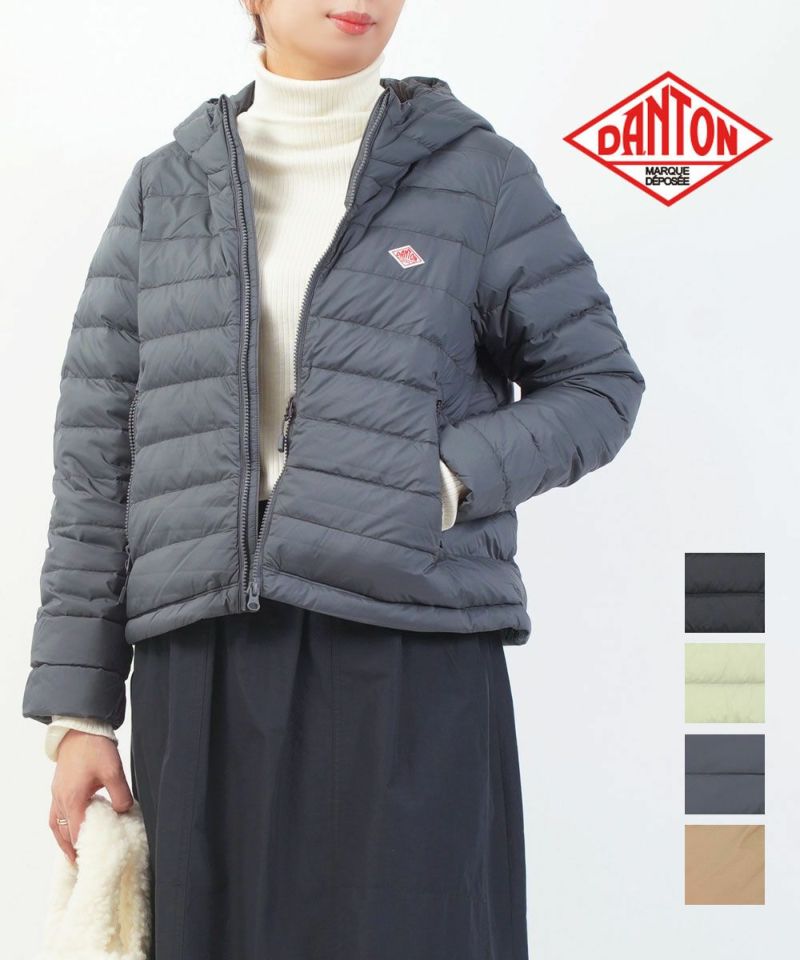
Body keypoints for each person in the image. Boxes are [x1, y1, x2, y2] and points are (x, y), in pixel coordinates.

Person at [22, 2, 645, 958]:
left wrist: (439, 481)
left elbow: (598, 385)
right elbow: (98, 454)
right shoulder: (165, 191)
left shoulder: (478, 177)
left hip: (407, 644)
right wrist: (79, 712)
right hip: (205, 659)